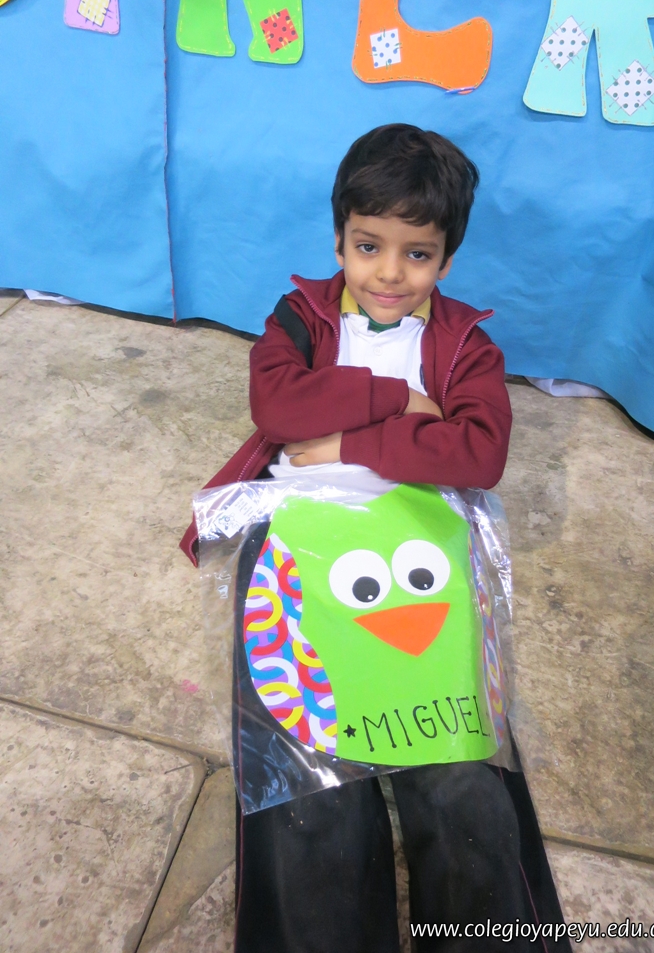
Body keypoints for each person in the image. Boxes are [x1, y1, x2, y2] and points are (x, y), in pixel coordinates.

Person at [181, 124, 570, 952]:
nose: (390, 273)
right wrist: (399, 403)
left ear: (447, 260)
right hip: (299, 546)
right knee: (307, 784)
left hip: (421, 547)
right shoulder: (299, 316)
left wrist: (344, 443)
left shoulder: (466, 346)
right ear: (339, 241)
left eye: (417, 254)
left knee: (461, 775)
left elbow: (480, 452)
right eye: (369, 246)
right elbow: (279, 407)